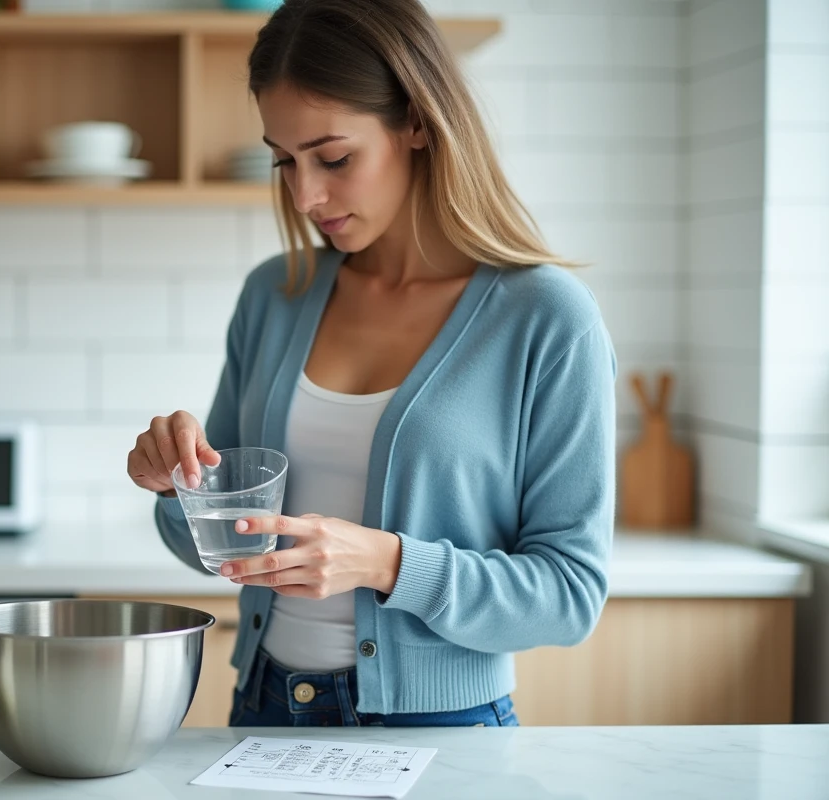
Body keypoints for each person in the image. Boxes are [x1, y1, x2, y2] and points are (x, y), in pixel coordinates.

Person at [126, 0, 616, 728]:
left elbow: (570, 595)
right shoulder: (274, 295)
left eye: (334, 157)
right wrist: (176, 489)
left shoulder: (545, 318)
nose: (304, 195)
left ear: (417, 121)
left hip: (438, 728)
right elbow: (215, 548)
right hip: (263, 707)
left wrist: (387, 564)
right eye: (284, 161)